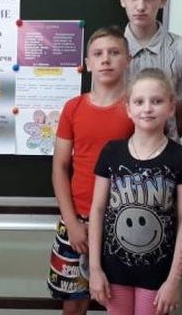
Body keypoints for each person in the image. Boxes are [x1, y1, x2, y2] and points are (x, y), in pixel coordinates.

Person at [89, 68, 182, 315]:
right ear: (128, 108)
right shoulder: (112, 152)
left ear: (171, 107)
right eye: (139, 102)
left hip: (158, 274)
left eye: (156, 101)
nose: (147, 108)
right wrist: (95, 269)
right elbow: (97, 210)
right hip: (114, 270)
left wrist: (174, 280)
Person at [48, 26, 135, 315]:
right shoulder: (73, 108)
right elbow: (60, 168)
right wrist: (72, 222)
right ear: (88, 63)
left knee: (121, 302)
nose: (106, 59)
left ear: (128, 60)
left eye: (114, 52)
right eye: (98, 54)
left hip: (122, 220)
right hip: (78, 219)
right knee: (74, 304)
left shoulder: (138, 109)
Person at [120, 0, 182, 141]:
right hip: (119, 149)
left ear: (163, 0)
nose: (140, 6)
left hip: (166, 149)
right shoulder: (107, 51)